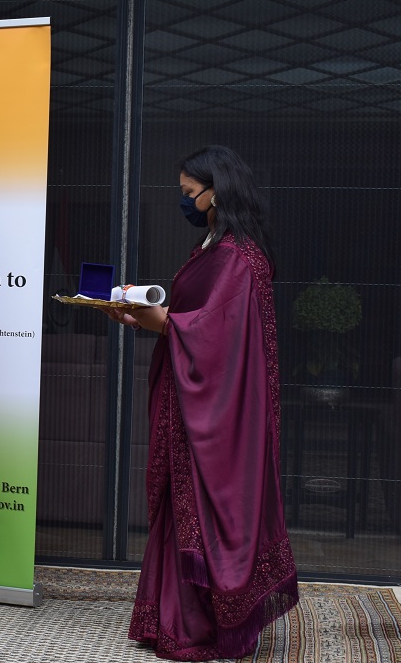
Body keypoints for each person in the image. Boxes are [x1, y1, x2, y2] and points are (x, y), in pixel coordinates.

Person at [106, 145, 299, 659]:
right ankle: (175, 620)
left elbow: (216, 334)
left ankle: (203, 625)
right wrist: (139, 314)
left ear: (216, 192)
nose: (184, 201)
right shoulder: (215, 247)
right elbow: (197, 319)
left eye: (189, 193)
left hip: (219, 410)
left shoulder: (238, 256)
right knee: (181, 505)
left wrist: (161, 321)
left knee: (208, 509)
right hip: (191, 396)